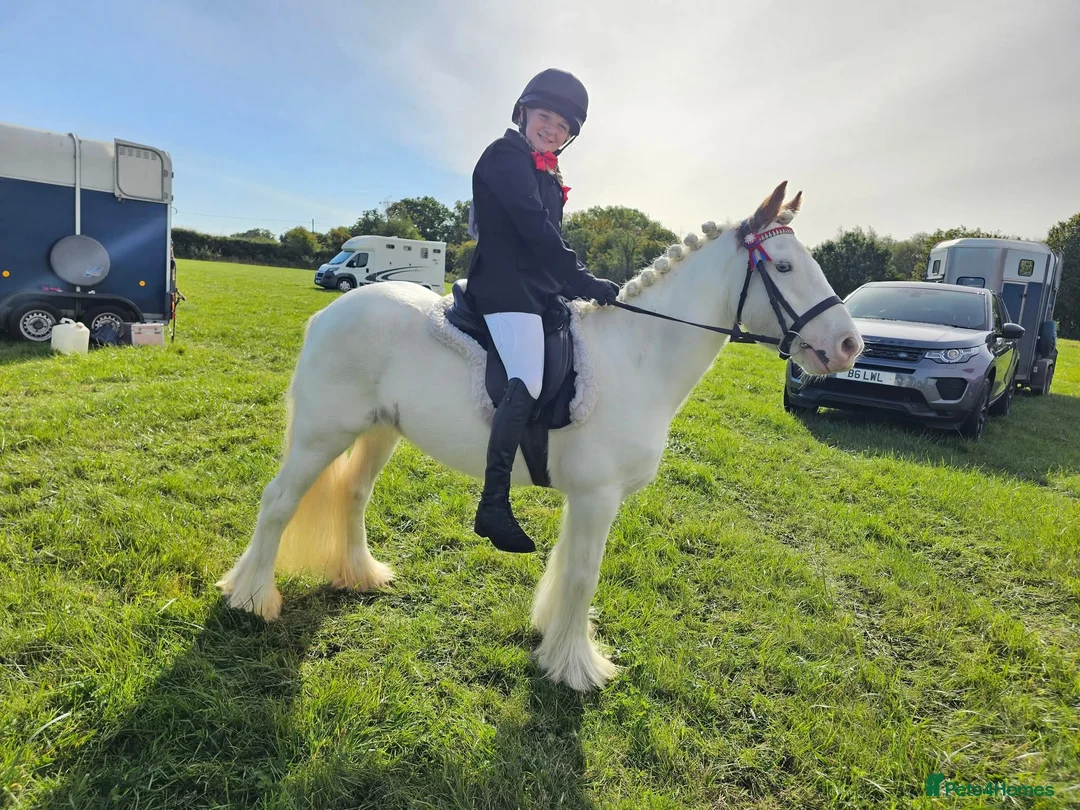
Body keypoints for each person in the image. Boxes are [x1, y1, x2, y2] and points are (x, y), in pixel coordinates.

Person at [466, 68, 621, 554]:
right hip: (504, 287)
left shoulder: (548, 171)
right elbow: (535, 231)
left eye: (564, 126)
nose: (552, 129)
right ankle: (493, 503)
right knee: (528, 378)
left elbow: (547, 241)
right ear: (523, 113)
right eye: (545, 117)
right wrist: (582, 280)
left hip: (537, 289)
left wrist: (568, 285)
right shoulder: (506, 155)